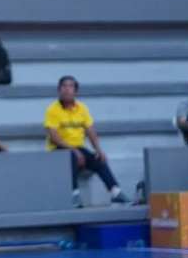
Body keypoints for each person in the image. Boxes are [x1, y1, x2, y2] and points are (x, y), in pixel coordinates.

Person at [45, 76, 128, 206]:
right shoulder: (52, 110)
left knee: (98, 158)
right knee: (71, 157)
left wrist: (99, 150)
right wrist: (73, 150)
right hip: (58, 149)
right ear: (58, 90)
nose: (67, 90)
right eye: (64, 86)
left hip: (78, 147)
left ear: (76, 91)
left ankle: (115, 192)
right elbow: (54, 137)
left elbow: (90, 131)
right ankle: (74, 196)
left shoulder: (82, 108)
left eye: (70, 86)